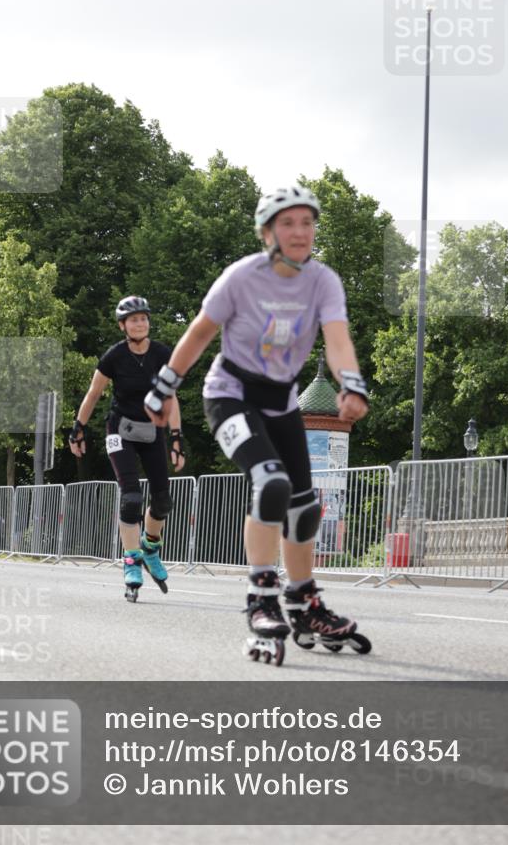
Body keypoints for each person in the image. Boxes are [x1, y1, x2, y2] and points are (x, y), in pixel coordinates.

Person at [145, 185, 371, 665]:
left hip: (282, 401)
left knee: (306, 507)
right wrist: (163, 388)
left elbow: (336, 339)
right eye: (288, 223)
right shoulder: (241, 277)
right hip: (230, 395)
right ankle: (261, 597)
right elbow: (200, 333)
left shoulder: (323, 282)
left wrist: (351, 385)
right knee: (271, 484)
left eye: (307, 223)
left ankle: (304, 602)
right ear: (267, 232)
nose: (299, 232)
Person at [68, 296, 185, 601]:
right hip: (119, 429)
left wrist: (176, 437)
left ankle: (151, 547)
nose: (140, 323)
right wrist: (78, 428)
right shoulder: (114, 356)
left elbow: (170, 398)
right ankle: (131, 561)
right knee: (131, 496)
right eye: (133, 320)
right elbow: (94, 394)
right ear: (123, 325)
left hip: (152, 429)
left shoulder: (162, 354)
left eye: (144, 318)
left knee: (162, 502)